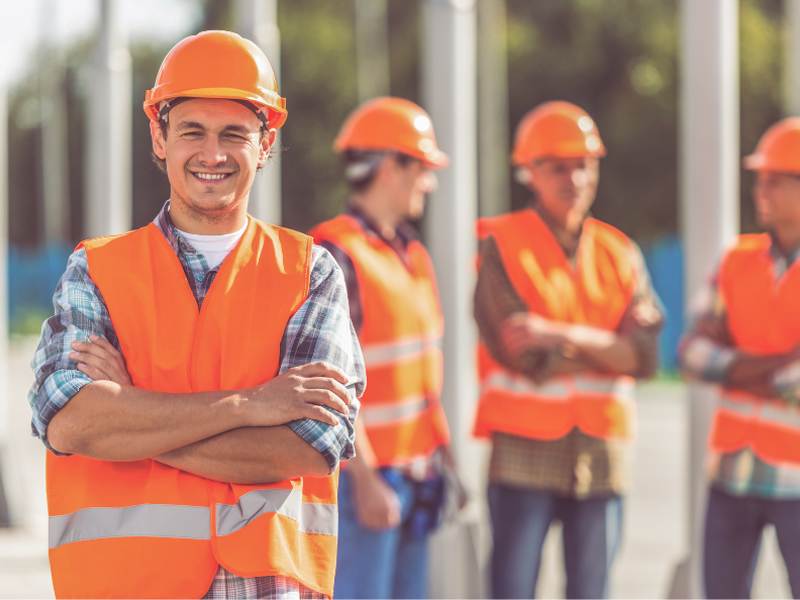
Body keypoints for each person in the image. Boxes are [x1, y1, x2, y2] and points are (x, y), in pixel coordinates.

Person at [28, 30, 364, 600]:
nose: (212, 155)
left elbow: (308, 445)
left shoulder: (311, 271)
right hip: (126, 585)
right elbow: (69, 422)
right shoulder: (97, 269)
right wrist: (252, 405)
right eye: (192, 132)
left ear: (265, 144)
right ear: (159, 137)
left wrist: (131, 415)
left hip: (268, 585)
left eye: (234, 134)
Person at [472, 100, 664, 599]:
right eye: (559, 167)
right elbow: (527, 359)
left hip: (602, 455)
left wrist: (560, 335)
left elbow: (646, 359)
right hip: (522, 450)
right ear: (529, 172)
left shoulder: (620, 252)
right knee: (512, 590)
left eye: (584, 165)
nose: (574, 178)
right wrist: (612, 347)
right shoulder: (501, 244)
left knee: (592, 591)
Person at [309, 97, 453, 599]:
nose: (429, 183)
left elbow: (420, 371)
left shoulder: (410, 253)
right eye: (424, 169)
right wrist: (365, 477)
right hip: (366, 476)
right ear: (392, 168)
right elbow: (328, 379)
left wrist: (444, 455)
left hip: (418, 469)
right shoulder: (336, 254)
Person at [679, 117, 800, 599]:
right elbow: (691, 355)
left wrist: (732, 366)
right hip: (733, 472)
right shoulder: (735, 261)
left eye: (774, 179)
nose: (760, 189)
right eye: (759, 178)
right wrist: (780, 362)